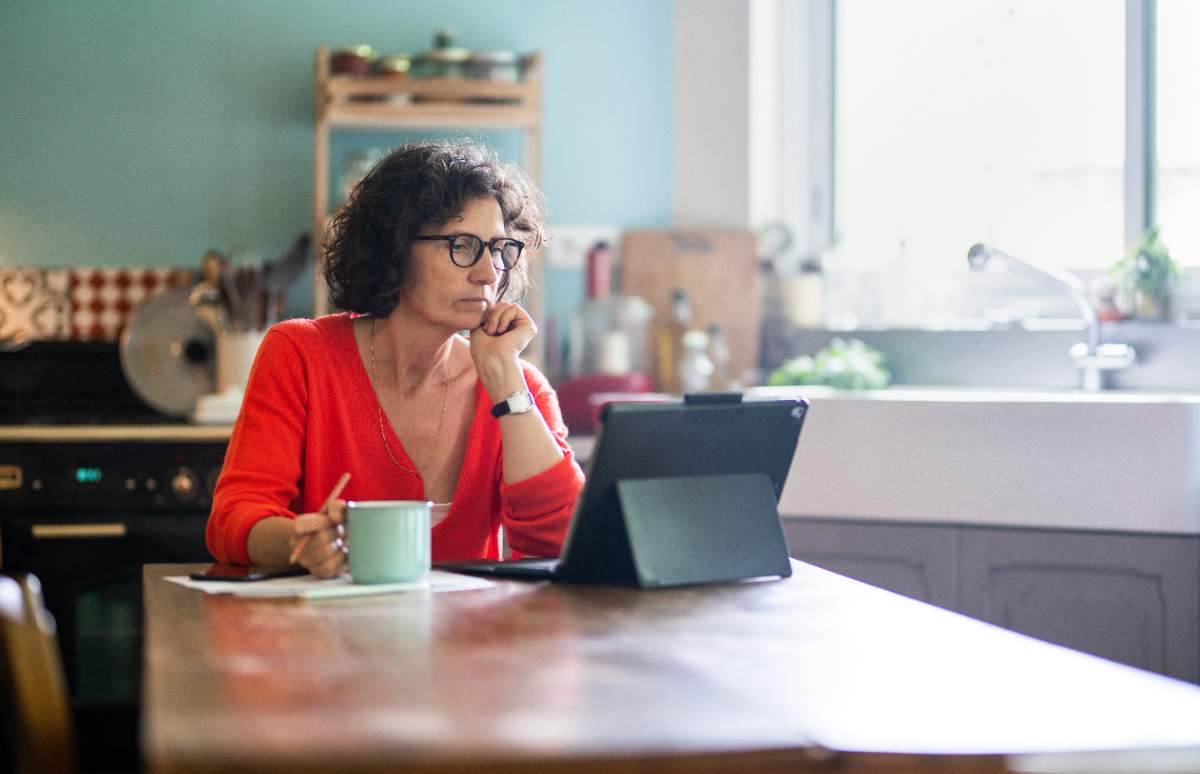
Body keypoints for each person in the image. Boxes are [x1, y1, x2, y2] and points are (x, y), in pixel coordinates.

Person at [206, 141, 586, 578]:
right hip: (325, 637)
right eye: (462, 245)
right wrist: (298, 542)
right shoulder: (300, 355)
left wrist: (505, 381)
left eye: (499, 249)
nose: (488, 272)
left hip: (473, 641)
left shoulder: (519, 389)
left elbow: (565, 542)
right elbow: (232, 520)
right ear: (395, 249)